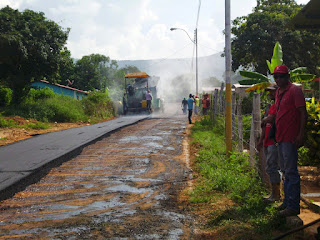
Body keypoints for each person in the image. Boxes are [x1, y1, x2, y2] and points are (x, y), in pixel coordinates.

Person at [273, 65, 307, 217]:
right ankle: (287, 202)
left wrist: (301, 134)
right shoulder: (279, 92)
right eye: (276, 76)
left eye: (281, 76)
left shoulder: (295, 90)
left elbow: (302, 112)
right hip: (281, 137)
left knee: (291, 172)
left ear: (288, 77)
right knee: (285, 171)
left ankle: (293, 206)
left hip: (290, 137)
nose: (278, 79)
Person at [257, 83, 281, 203]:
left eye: (273, 91)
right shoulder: (271, 106)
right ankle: (275, 193)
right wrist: (261, 140)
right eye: (269, 91)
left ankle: (276, 194)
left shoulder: (279, 105)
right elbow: (265, 125)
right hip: (267, 140)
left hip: (274, 141)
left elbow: (270, 119)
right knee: (270, 166)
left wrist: (265, 119)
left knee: (273, 167)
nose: (270, 94)